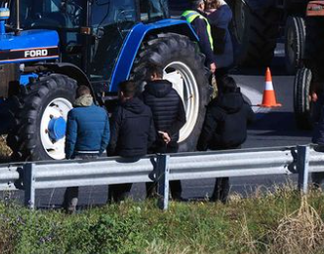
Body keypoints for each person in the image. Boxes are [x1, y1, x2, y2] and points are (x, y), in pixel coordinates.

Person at [197, 76, 254, 202]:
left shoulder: (216, 107)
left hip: (220, 142)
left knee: (221, 170)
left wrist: (202, 146)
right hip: (237, 142)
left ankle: (218, 196)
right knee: (226, 171)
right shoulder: (242, 104)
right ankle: (221, 196)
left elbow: (208, 129)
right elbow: (252, 118)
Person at [62, 85, 110, 214]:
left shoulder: (74, 113)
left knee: (73, 183)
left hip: (79, 153)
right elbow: (106, 136)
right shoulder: (102, 112)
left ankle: (70, 208)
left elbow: (71, 138)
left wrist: (69, 155)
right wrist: (99, 151)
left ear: (77, 96)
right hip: (96, 153)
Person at [141, 65, 186, 201]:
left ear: (154, 75)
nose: (146, 77)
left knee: (152, 170)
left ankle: (151, 196)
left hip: (153, 141)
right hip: (170, 140)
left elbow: (144, 120)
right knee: (172, 169)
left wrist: (158, 133)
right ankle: (176, 196)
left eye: (148, 74)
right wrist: (169, 133)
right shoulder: (174, 94)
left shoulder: (145, 96)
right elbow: (182, 119)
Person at [107, 80, 156, 203]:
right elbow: (152, 136)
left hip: (122, 153)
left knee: (118, 187)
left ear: (122, 93)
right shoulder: (146, 110)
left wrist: (112, 154)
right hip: (141, 153)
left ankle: (118, 203)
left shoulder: (119, 111)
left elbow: (113, 139)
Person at [182, 0, 217, 76]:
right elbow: (204, 41)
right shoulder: (199, 19)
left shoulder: (186, 14)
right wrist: (211, 60)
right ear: (201, 5)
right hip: (200, 57)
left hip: (189, 54)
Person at [204, 0, 234, 73]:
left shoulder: (202, 18)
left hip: (208, 60)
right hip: (225, 58)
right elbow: (226, 8)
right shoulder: (223, 16)